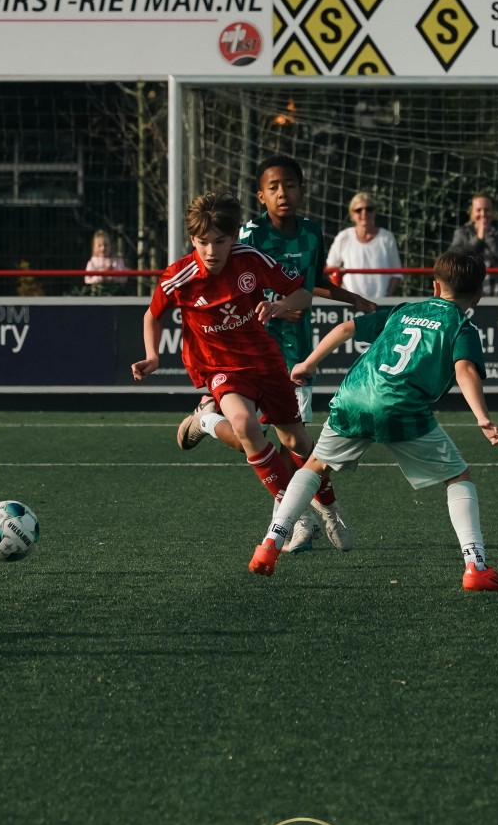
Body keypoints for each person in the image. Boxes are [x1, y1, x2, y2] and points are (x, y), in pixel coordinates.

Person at [247, 250, 498, 592]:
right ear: (478, 295)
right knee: (457, 476)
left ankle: (271, 542)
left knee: (314, 468)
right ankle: (476, 565)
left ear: (434, 286)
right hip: (401, 407)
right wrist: (483, 418)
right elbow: (464, 370)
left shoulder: (404, 310)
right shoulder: (462, 326)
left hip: (354, 397)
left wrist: (308, 364)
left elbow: (346, 328)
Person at [177, 156, 373, 551]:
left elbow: (310, 282)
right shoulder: (247, 234)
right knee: (250, 437)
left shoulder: (312, 232)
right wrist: (273, 303)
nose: (283, 193)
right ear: (261, 196)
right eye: (274, 187)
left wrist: (352, 299)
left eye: (290, 185)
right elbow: (226, 282)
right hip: (246, 351)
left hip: (296, 348)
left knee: (293, 441)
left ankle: (296, 519)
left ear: (302, 190)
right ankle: (211, 423)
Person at [132, 190, 322, 513]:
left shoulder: (250, 259)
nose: (211, 251)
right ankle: (295, 516)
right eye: (203, 242)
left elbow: (303, 294)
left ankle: (206, 419)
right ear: (192, 239)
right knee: (247, 428)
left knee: (294, 441)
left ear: (233, 237)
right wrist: (153, 355)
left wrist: (280, 305)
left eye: (219, 241)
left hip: (263, 361)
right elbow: (153, 315)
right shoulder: (180, 276)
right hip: (218, 366)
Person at [325, 192, 403, 298]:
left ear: (374, 212)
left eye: (369, 209)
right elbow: (331, 267)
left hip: (380, 303)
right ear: (352, 214)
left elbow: (396, 273)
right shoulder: (344, 237)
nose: (364, 213)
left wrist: (385, 298)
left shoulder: (387, 238)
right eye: (359, 210)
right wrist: (345, 296)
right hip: (350, 303)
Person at [449, 193, 498, 295]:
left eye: (487, 210)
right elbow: (454, 260)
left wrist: (489, 238)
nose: (483, 214)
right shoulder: (461, 233)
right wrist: (478, 239)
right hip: (470, 296)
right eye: (478, 210)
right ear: (472, 214)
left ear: (493, 212)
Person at [84, 228, 129, 294]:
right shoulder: (92, 263)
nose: (103, 248)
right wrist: (102, 274)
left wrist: (113, 273)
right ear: (94, 247)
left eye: (106, 245)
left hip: (116, 293)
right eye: (99, 246)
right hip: (97, 293)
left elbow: (124, 279)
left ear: (110, 246)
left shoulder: (118, 261)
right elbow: (87, 280)